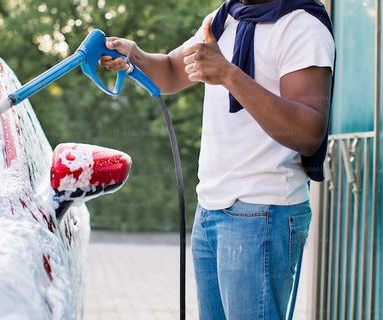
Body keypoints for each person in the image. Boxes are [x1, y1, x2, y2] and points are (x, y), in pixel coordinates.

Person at [99, 0, 335, 319]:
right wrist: (134, 54)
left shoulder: (301, 25)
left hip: (264, 210)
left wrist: (227, 73)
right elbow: (170, 72)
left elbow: (308, 133)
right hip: (211, 209)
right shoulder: (223, 20)